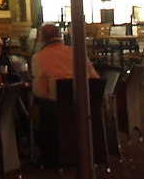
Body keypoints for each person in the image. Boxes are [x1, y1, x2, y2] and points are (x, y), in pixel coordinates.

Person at [30, 23, 97, 162]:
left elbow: (40, 91)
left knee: (31, 110)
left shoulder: (39, 58)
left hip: (57, 109)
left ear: (42, 38)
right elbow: (94, 78)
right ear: (59, 35)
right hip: (86, 107)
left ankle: (47, 153)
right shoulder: (77, 53)